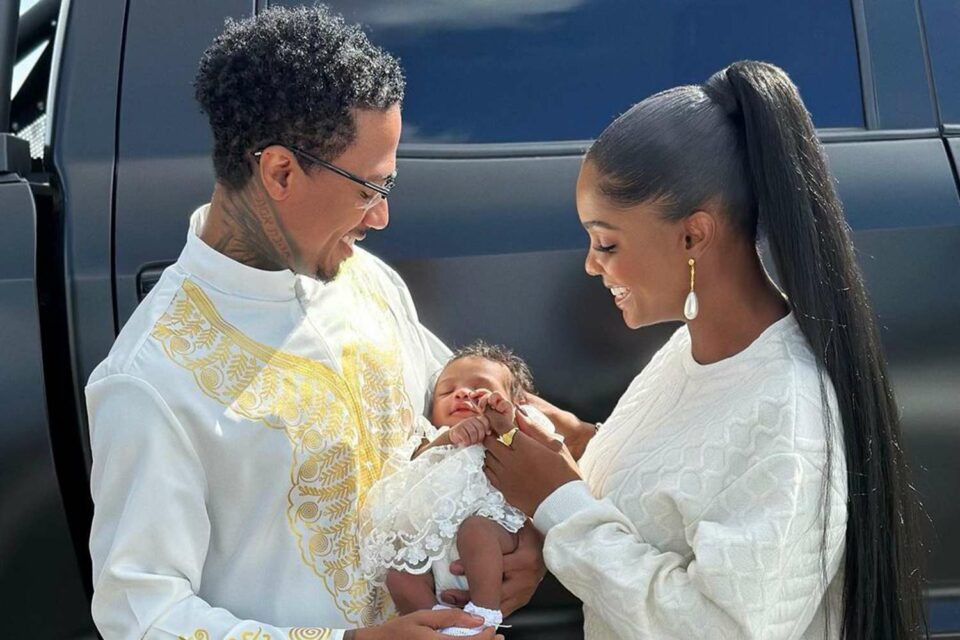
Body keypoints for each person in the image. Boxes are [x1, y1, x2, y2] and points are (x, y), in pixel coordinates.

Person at [85, 7, 542, 639]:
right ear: (279, 172)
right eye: (370, 188)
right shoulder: (152, 378)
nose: (381, 217)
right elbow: (141, 615)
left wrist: (529, 538)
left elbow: (474, 420)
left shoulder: (369, 284)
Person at [484, 60, 925, 639]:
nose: (591, 264)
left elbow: (724, 627)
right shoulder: (693, 350)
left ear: (694, 234)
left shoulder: (787, 413)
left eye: (606, 242)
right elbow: (678, 492)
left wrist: (558, 505)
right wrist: (578, 444)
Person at [359, 342, 557, 636]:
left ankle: (483, 617)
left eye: (480, 389)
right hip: (431, 550)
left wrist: (502, 424)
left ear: (515, 404)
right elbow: (412, 465)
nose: (462, 393)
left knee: (476, 531)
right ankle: (439, 624)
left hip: (493, 533)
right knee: (397, 574)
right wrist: (449, 437)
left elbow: (544, 458)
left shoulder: (515, 428)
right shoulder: (429, 436)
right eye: (447, 391)